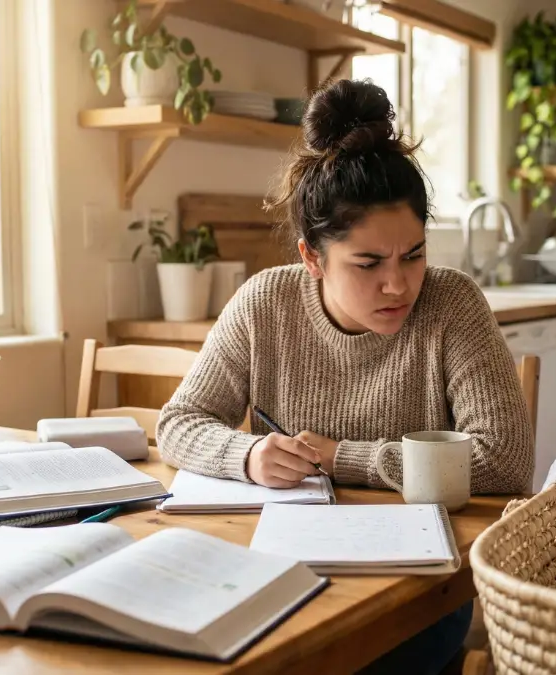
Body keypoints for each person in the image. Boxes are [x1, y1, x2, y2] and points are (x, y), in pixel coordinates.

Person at [156, 78, 535, 674]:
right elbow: (179, 423)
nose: (398, 284)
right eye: (368, 263)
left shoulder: (453, 305)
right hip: (278, 571)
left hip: (414, 592)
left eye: (413, 254)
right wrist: (249, 453)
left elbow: (505, 461)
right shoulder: (264, 304)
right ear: (312, 257)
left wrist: (339, 458)